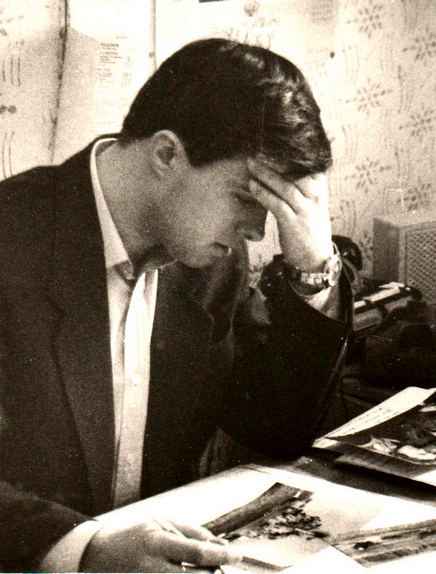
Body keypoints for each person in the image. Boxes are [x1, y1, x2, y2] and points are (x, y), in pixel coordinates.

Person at [0, 39, 353, 571]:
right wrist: (86, 550)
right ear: (166, 154)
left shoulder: (209, 259)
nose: (258, 233)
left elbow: (274, 430)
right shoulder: (10, 241)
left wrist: (313, 269)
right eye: (246, 199)